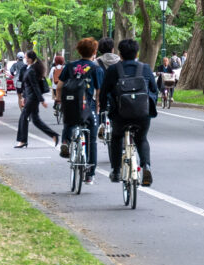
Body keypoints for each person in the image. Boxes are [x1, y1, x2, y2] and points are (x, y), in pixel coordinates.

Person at [101, 38, 157, 185]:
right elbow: (154, 90)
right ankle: (146, 166)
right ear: (137, 53)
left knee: (116, 137)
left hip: (120, 115)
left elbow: (104, 91)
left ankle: (116, 170)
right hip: (142, 114)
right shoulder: (145, 68)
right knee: (142, 139)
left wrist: (103, 107)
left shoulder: (114, 70)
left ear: (120, 53)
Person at [58, 39, 104, 174]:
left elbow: (60, 86)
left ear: (78, 51)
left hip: (71, 103)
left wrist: (59, 99)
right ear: (94, 52)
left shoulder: (70, 66)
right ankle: (90, 173)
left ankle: (65, 142)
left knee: (69, 120)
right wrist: (97, 107)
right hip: (87, 106)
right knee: (92, 138)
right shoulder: (96, 69)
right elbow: (99, 92)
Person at [15, 50, 59, 149]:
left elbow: (35, 86)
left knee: (23, 117)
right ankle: (54, 135)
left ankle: (22, 140)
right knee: (35, 120)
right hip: (30, 97)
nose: (24, 58)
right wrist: (23, 97)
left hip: (32, 98)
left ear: (30, 59)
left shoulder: (31, 70)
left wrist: (41, 100)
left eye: (26, 57)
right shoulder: (28, 68)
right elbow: (27, 86)